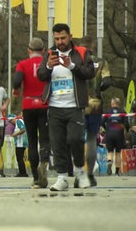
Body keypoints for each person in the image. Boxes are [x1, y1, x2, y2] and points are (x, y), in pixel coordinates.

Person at [37, 23, 95, 191]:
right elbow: (40, 75)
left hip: (74, 105)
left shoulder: (82, 53)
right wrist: (48, 66)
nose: (60, 42)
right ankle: (62, 177)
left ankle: (79, 172)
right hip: (55, 106)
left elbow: (90, 73)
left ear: (70, 36)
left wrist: (71, 66)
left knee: (76, 139)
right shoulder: (48, 53)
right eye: (56, 39)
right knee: (57, 143)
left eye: (63, 38)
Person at [12, 37, 50, 189]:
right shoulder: (47, 63)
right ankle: (44, 163)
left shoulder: (22, 64)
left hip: (28, 105)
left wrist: (16, 89)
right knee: (45, 139)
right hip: (45, 103)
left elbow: (17, 81)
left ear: (28, 50)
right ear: (43, 50)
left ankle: (35, 177)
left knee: (32, 141)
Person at [80, 35, 111, 187]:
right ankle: (90, 174)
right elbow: (107, 82)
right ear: (93, 46)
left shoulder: (76, 60)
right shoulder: (101, 62)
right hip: (95, 105)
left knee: (76, 139)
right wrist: (98, 89)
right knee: (92, 139)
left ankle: (78, 173)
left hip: (77, 104)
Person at [103, 97, 128, 176]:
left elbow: (102, 122)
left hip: (109, 133)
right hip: (119, 133)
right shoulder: (123, 111)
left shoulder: (107, 111)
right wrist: (125, 130)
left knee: (110, 151)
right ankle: (117, 171)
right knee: (118, 152)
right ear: (118, 104)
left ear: (112, 103)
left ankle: (109, 161)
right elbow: (127, 124)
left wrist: (105, 128)